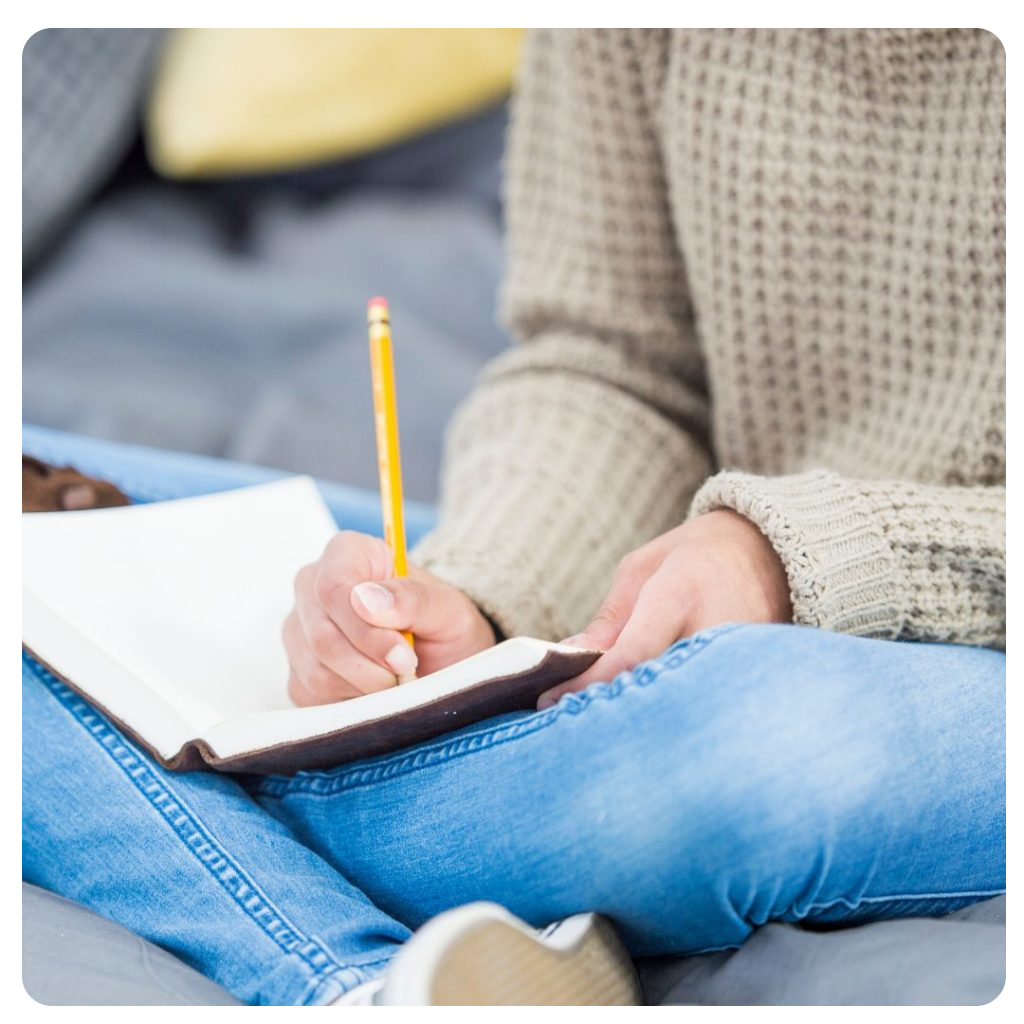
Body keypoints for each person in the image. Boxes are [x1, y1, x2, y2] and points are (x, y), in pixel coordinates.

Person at [23, 28, 1005, 1006]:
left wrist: (808, 556)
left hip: (915, 647)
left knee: (748, 740)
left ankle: (173, 802)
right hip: (693, 583)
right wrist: (477, 592)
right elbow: (608, 363)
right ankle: (367, 980)